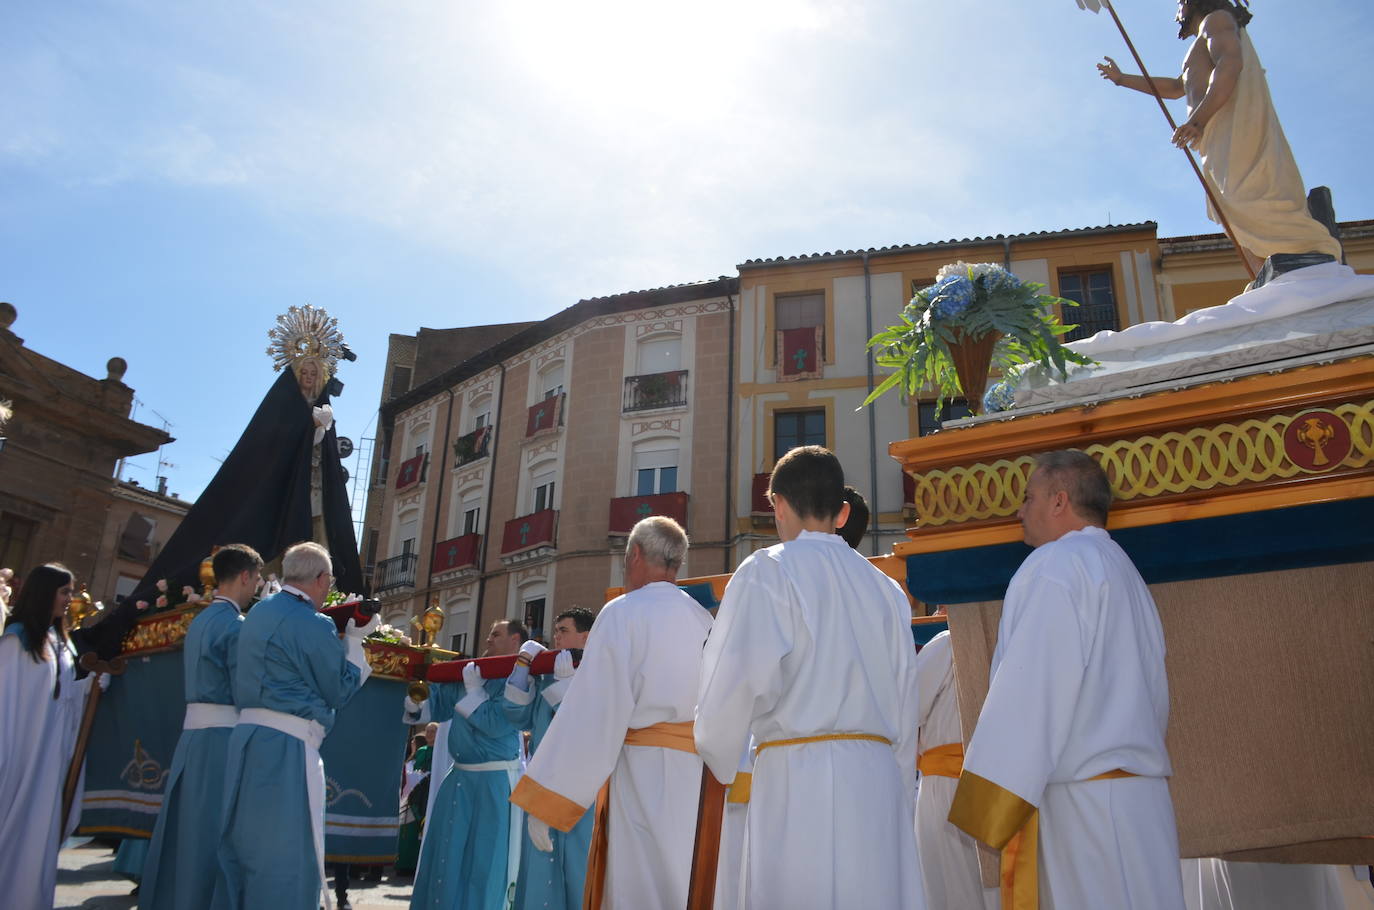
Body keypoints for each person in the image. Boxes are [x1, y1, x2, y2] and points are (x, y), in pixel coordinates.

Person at [948, 449, 1185, 909]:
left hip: (1089, 812)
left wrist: (990, 802)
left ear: (1059, 501)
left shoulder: (1057, 566)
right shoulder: (1124, 570)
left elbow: (1032, 689)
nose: (1020, 510)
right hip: (1141, 801)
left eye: (1028, 496)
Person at [695, 446, 924, 908]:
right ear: (842, 512)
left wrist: (721, 754)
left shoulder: (768, 570)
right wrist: (895, 783)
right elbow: (906, 700)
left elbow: (732, 685)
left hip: (795, 780)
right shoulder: (885, 589)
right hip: (875, 780)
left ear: (777, 504)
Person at [510, 517, 710, 909]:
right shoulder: (704, 618)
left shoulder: (623, 611)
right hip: (699, 778)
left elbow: (595, 712)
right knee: (685, 883)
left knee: (641, 886)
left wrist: (549, 800)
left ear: (634, 555)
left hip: (644, 774)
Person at [1097, 0, 1340, 279]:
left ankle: (1308, 249)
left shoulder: (1217, 20)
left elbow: (1230, 63)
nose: (1177, 14)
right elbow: (1177, 87)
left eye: (1179, 5)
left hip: (1233, 125)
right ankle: (1267, 273)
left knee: (1244, 195)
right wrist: (1122, 79)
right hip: (1214, 134)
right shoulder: (1201, 40)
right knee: (1225, 205)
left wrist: (1197, 120)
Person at [212, 541, 375, 910]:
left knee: (243, 847)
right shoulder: (313, 623)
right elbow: (336, 689)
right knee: (286, 853)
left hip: (247, 739)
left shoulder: (257, 611)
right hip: (287, 747)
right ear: (320, 580)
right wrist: (354, 646)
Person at [140, 544, 263, 910]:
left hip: (192, 739)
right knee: (214, 834)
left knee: (186, 830)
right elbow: (246, 690)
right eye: (256, 578)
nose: (257, 586)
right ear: (245, 576)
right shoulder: (236, 626)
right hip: (221, 740)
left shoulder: (201, 621)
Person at [0, 563, 103, 910]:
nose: (70, 599)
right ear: (45, 593)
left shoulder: (61, 642)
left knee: (38, 841)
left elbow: (64, 696)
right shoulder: (17, 641)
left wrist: (92, 687)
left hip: (48, 759)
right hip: (19, 758)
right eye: (65, 592)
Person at [402, 621, 524, 910]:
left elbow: (497, 725)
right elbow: (438, 706)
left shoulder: (519, 680)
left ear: (515, 641)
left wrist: (474, 694)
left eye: (496, 634)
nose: (488, 638)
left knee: (486, 859)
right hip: (458, 779)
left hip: (494, 782)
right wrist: (415, 701)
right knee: (447, 853)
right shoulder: (470, 673)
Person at [502, 607, 596, 910]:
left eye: (564, 631)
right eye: (555, 631)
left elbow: (587, 731)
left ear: (586, 636)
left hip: (581, 788)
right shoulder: (548, 673)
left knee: (577, 870)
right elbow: (517, 717)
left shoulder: (599, 670)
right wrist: (521, 668)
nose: (556, 637)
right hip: (543, 780)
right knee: (539, 869)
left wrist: (568, 688)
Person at [914, 612, 1000, 910]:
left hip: (947, 788)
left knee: (951, 891)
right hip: (1001, 788)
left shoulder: (948, 642)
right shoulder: (1014, 637)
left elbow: (907, 708)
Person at [394, 733, 430, 876]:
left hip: (417, 798)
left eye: (414, 742)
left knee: (412, 833)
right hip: (410, 796)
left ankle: (409, 864)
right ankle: (404, 863)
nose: (412, 744)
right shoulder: (414, 759)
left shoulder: (420, 757)